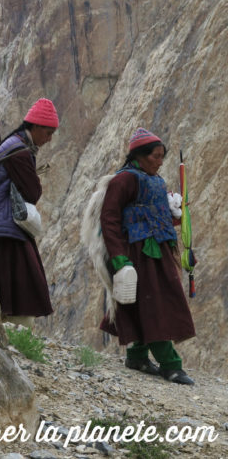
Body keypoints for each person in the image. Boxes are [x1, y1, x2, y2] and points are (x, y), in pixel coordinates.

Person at [98, 128, 196, 385]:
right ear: (139, 156)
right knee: (154, 304)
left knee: (146, 303)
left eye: (162, 156)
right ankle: (170, 364)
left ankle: (137, 355)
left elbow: (155, 214)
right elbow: (109, 219)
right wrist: (119, 258)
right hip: (137, 252)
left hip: (158, 251)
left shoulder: (154, 179)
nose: (160, 161)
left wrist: (175, 215)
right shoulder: (124, 180)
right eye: (156, 156)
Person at [0, 98, 59, 326]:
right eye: (47, 133)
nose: (49, 140)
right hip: (2, 230)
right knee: (20, 284)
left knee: (0, 285)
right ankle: (13, 333)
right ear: (35, 127)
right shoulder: (19, 152)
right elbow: (32, 192)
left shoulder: (12, 145)